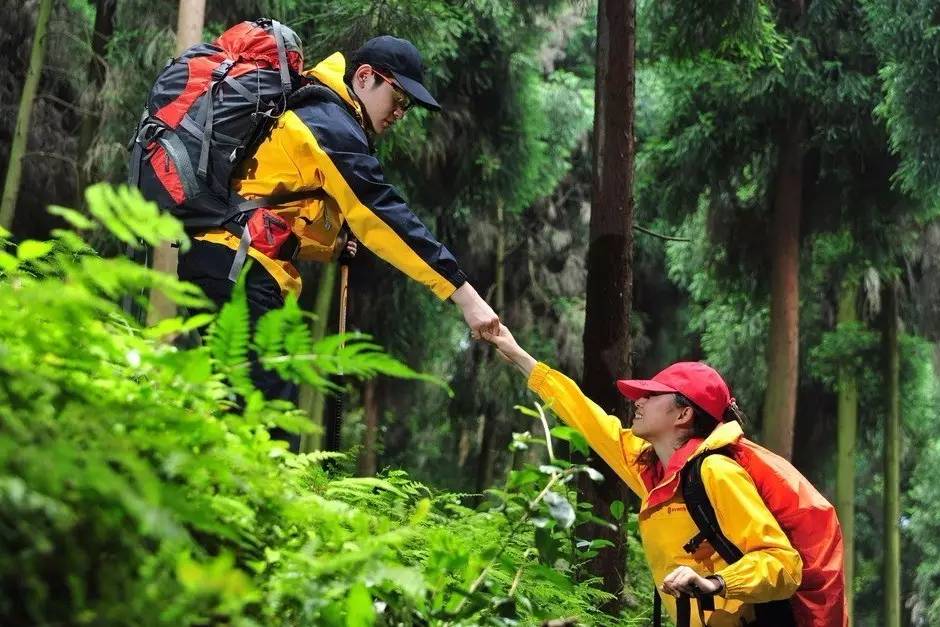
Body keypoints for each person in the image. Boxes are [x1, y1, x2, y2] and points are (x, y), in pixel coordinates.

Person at [177, 35, 500, 447]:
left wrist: (329, 246)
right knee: (267, 424)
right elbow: (382, 213)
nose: (401, 112)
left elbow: (270, 203)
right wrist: (464, 295)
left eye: (408, 107)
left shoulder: (318, 114)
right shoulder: (329, 123)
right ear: (365, 77)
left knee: (234, 410)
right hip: (237, 268)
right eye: (399, 98)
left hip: (227, 262)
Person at [483, 325, 809, 627]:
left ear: (684, 413)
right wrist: (517, 354)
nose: (639, 401)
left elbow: (784, 563)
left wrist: (716, 583)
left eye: (653, 395)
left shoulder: (716, 472)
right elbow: (584, 415)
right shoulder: (651, 469)